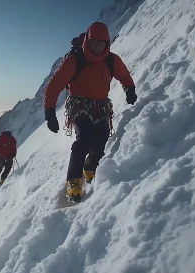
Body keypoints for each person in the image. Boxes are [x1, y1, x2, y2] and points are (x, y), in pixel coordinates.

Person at [43, 21, 137, 201]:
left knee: (101, 137)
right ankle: (73, 180)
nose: (97, 47)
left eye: (101, 44)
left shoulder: (111, 60)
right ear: (88, 41)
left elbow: (124, 75)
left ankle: (90, 166)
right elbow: (54, 86)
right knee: (84, 140)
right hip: (79, 105)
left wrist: (129, 89)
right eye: (93, 43)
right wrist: (49, 112)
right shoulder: (75, 61)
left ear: (106, 44)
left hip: (100, 104)